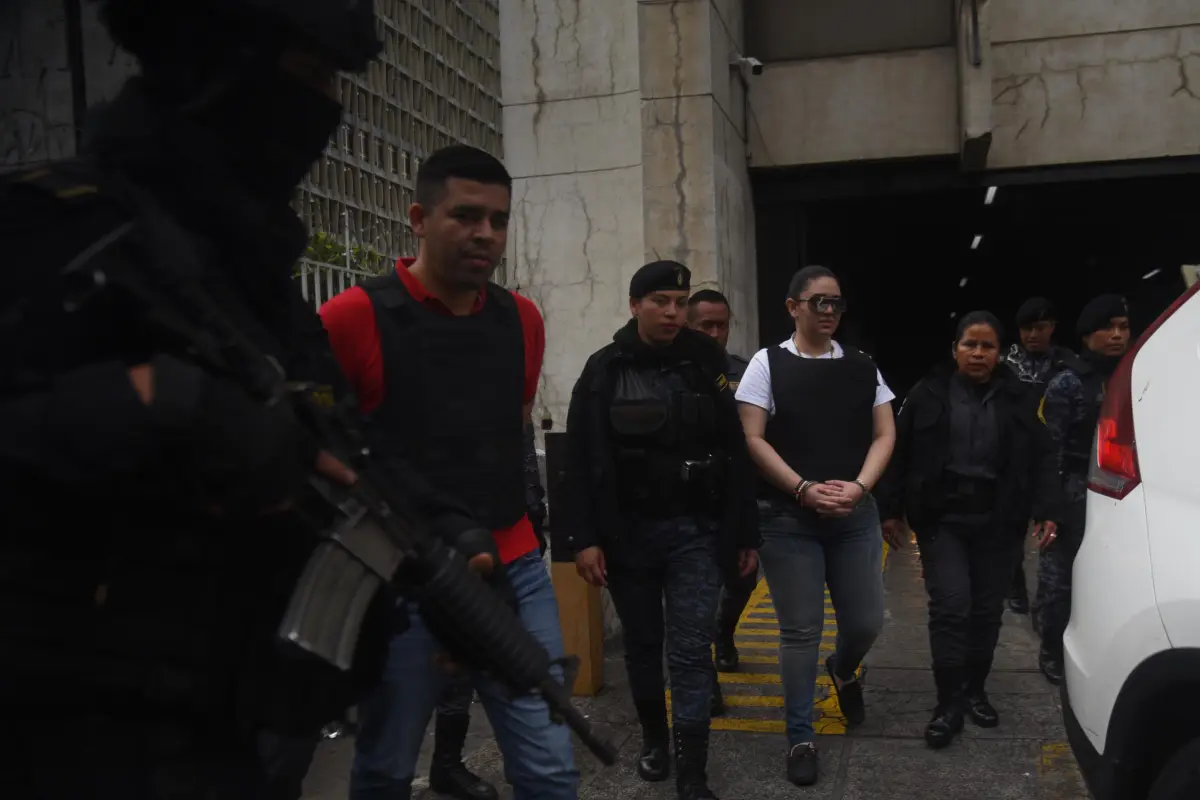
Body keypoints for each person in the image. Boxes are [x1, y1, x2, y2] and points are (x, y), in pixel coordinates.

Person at [0, 1, 490, 796]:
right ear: (211, 67)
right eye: (305, 76)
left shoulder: (250, 281)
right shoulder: (54, 229)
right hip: (71, 740)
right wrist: (159, 404)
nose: (324, 108)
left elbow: (341, 439)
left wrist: (441, 530)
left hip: (228, 729)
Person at [319, 144, 578, 800]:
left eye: (498, 220)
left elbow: (511, 427)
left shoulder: (521, 320)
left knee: (550, 768)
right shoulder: (353, 317)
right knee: (384, 768)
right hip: (399, 573)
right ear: (418, 217)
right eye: (466, 216)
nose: (485, 235)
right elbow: (320, 447)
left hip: (512, 565)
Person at [565, 261, 760, 800]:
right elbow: (578, 460)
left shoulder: (706, 363)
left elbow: (736, 451)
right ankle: (655, 740)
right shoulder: (604, 369)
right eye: (661, 302)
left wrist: (745, 533)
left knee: (691, 650)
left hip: (696, 532)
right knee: (644, 647)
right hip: (628, 536)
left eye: (679, 302)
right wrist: (583, 539)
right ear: (635, 305)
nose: (673, 312)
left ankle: (693, 768)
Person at [734, 265, 895, 787]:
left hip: (854, 515)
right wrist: (802, 488)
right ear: (793, 307)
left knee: (866, 622)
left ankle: (844, 668)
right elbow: (753, 438)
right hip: (788, 518)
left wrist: (861, 487)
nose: (829, 312)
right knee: (800, 631)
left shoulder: (863, 366)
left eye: (836, 303)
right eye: (818, 302)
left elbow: (884, 433)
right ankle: (800, 736)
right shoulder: (768, 363)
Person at [879, 311, 1060, 749]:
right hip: (943, 519)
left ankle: (974, 690)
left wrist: (1047, 509)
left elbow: (1042, 457)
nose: (978, 354)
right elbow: (897, 452)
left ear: (1000, 353)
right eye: (970, 345)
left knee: (985, 611)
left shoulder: (1020, 398)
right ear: (954, 349)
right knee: (951, 606)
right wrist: (891, 509)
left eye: (987, 346)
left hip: (999, 520)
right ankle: (947, 704)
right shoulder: (927, 395)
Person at [1036, 294, 1131, 685]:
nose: (1117, 335)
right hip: (1073, 488)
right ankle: (1051, 649)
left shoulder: (1134, 375)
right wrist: (1049, 509)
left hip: (1120, 492)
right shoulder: (1067, 382)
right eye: (1108, 327)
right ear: (1088, 334)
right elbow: (1049, 450)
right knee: (1060, 581)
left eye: (1124, 327)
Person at [685, 289, 758, 713]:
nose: (715, 333)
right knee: (692, 597)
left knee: (742, 581)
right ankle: (704, 677)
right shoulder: (674, 369)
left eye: (722, 325)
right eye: (705, 325)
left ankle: (725, 633)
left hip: (732, 499)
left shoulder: (745, 374)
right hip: (685, 503)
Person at [1001, 297, 1073, 617]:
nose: (1033, 335)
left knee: (1052, 529)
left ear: (1052, 328)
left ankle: (1049, 599)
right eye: (1027, 328)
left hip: (1055, 457)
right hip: (1014, 456)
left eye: (1040, 328)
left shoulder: (1067, 365)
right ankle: (1015, 584)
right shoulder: (1004, 366)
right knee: (1012, 527)